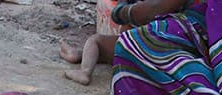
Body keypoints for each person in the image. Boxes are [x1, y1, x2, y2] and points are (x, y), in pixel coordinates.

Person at [60, 0, 190, 86]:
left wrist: (121, 10)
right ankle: (79, 54)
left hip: (159, 47)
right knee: (116, 45)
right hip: (173, 45)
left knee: (96, 40)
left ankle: (85, 72)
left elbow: (149, 12)